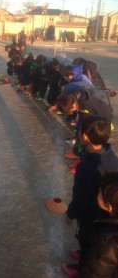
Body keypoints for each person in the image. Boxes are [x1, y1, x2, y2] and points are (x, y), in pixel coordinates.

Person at [61, 115, 118, 278]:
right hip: (109, 213)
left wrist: (70, 214)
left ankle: (81, 267)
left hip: (92, 215)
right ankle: (85, 252)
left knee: (87, 240)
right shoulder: (110, 155)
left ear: (84, 137)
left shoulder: (86, 167)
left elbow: (81, 197)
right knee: (93, 240)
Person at [81, 172, 118, 277]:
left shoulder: (109, 241)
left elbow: (95, 272)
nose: (97, 194)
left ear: (109, 205)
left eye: (100, 193)